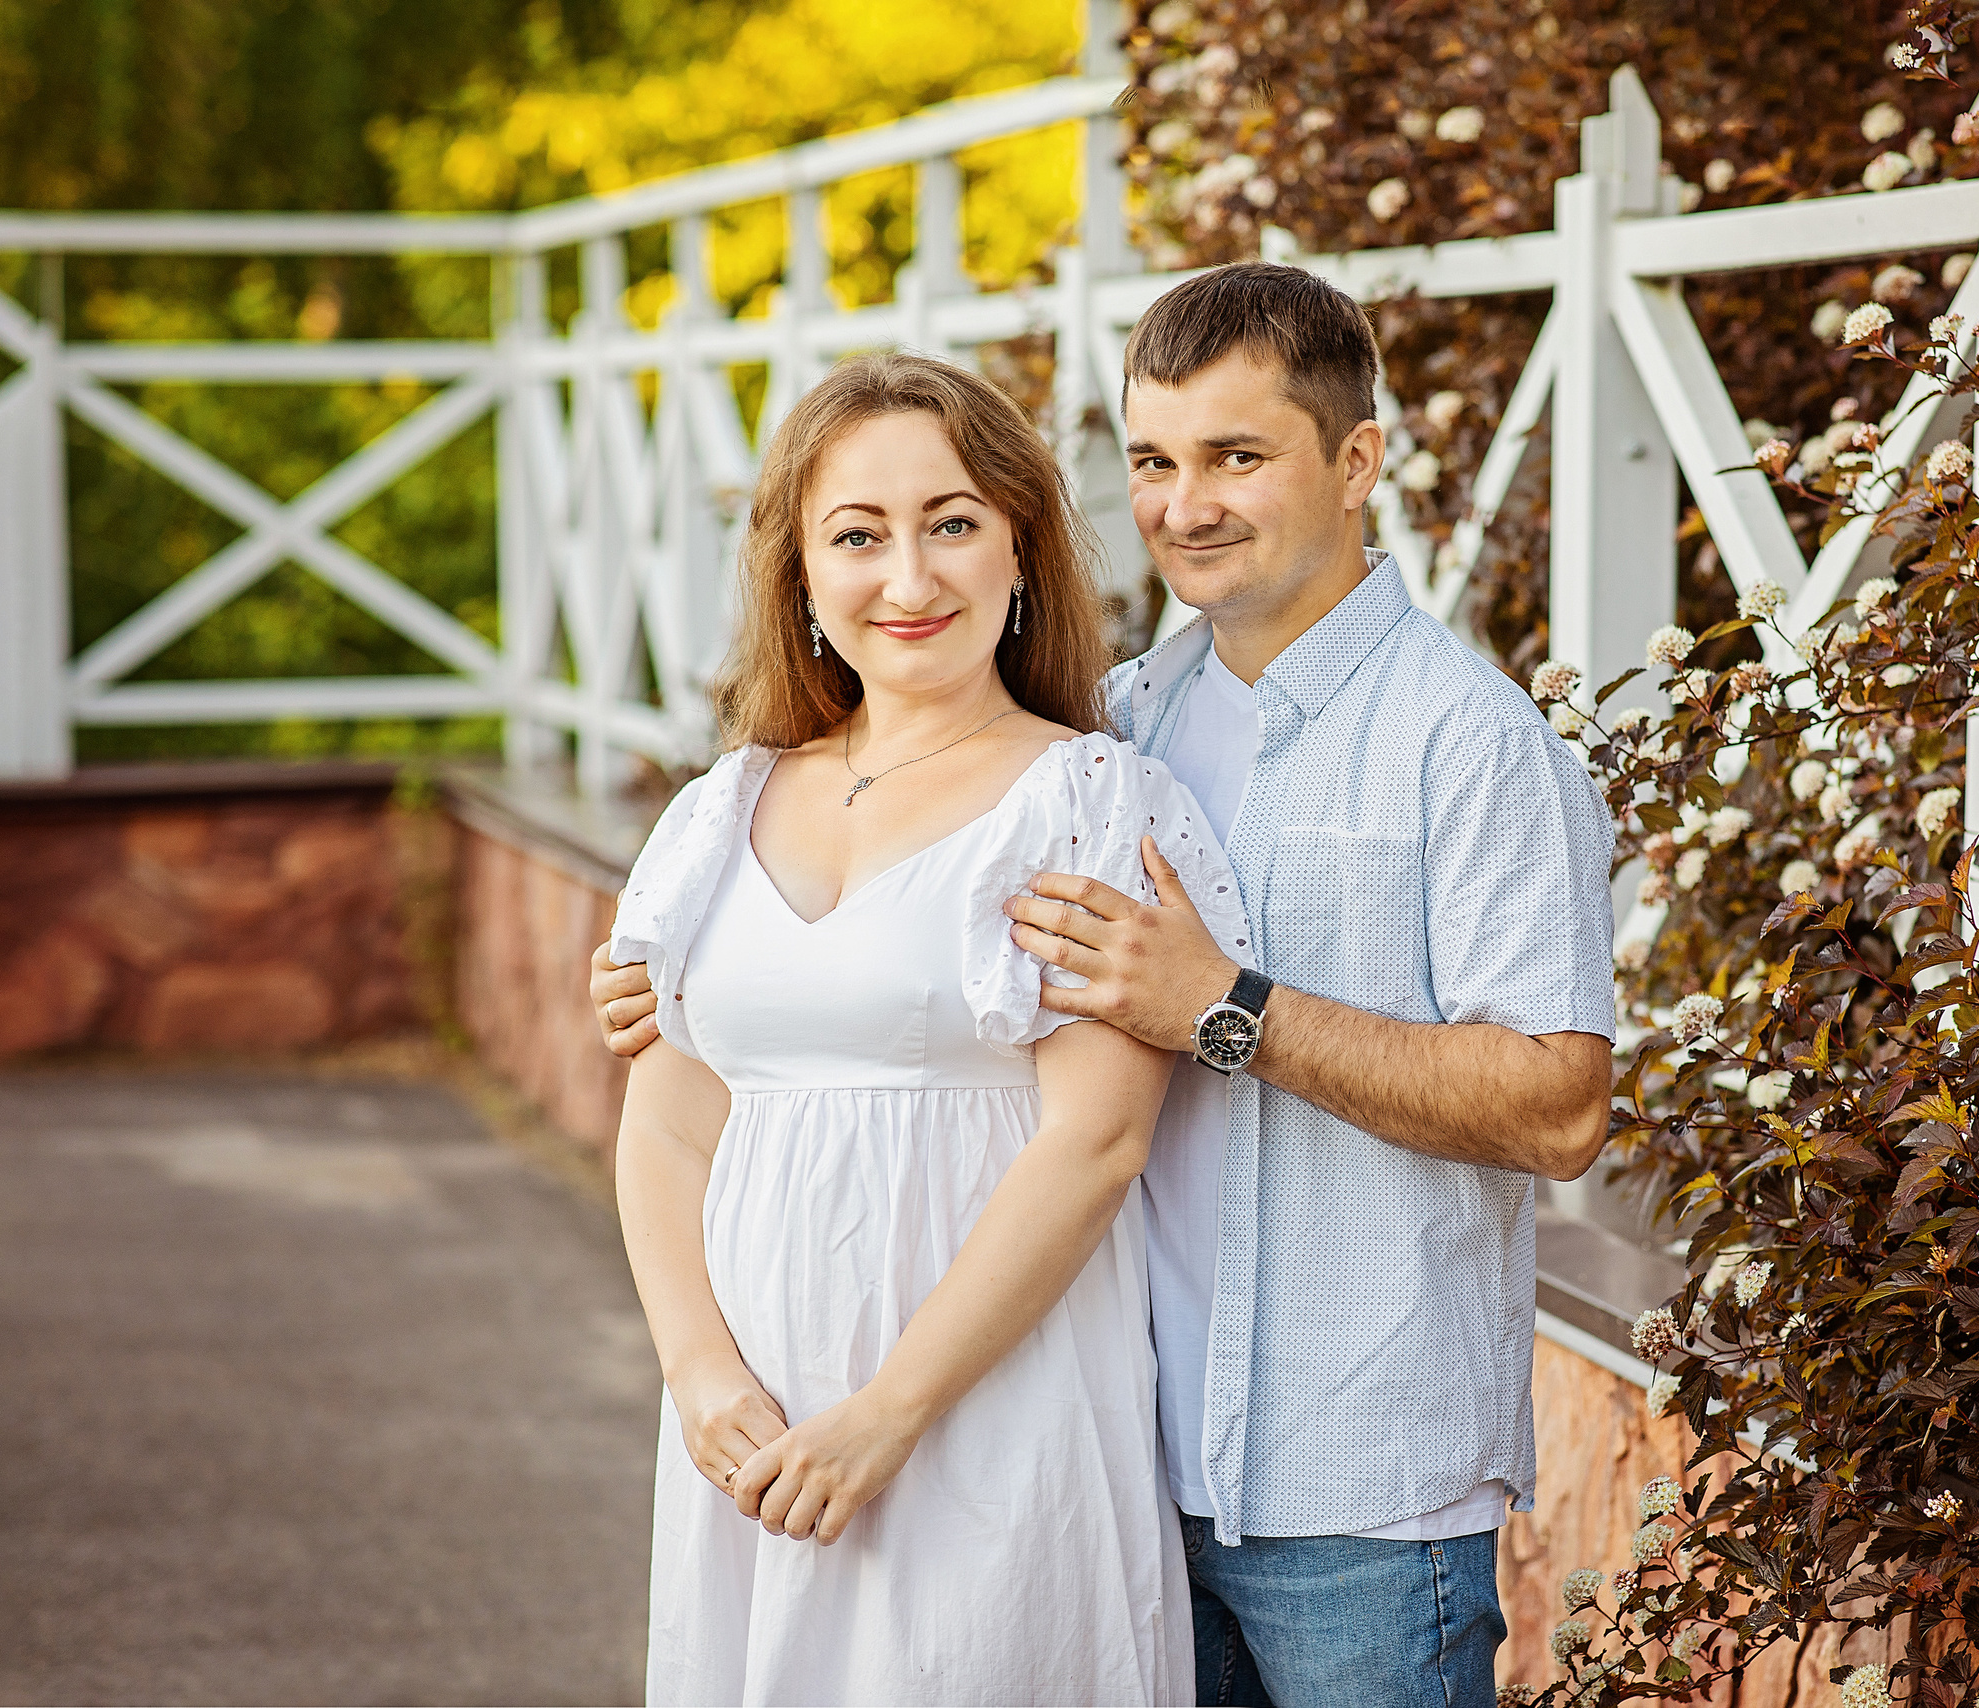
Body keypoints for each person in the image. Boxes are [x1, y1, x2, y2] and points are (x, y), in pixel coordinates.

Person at [597, 265, 1617, 1707]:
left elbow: (1562, 1110)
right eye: (1154, 460)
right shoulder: (1127, 718)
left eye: (1238, 457)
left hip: (1353, 1482)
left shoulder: (1469, 744)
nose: (1186, 504)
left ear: (1359, 461)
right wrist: (684, 988)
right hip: (1129, 1437)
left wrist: (1228, 1005)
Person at [605, 350, 1246, 1705]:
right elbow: (667, 1118)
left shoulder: (1086, 808)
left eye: (952, 523)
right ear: (798, 574)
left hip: (982, 1426)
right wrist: (698, 1370)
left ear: (1019, 549)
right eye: (859, 535)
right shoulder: (720, 813)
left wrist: (886, 1416)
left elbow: (1094, 1145)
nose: (910, 580)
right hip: (751, 1436)